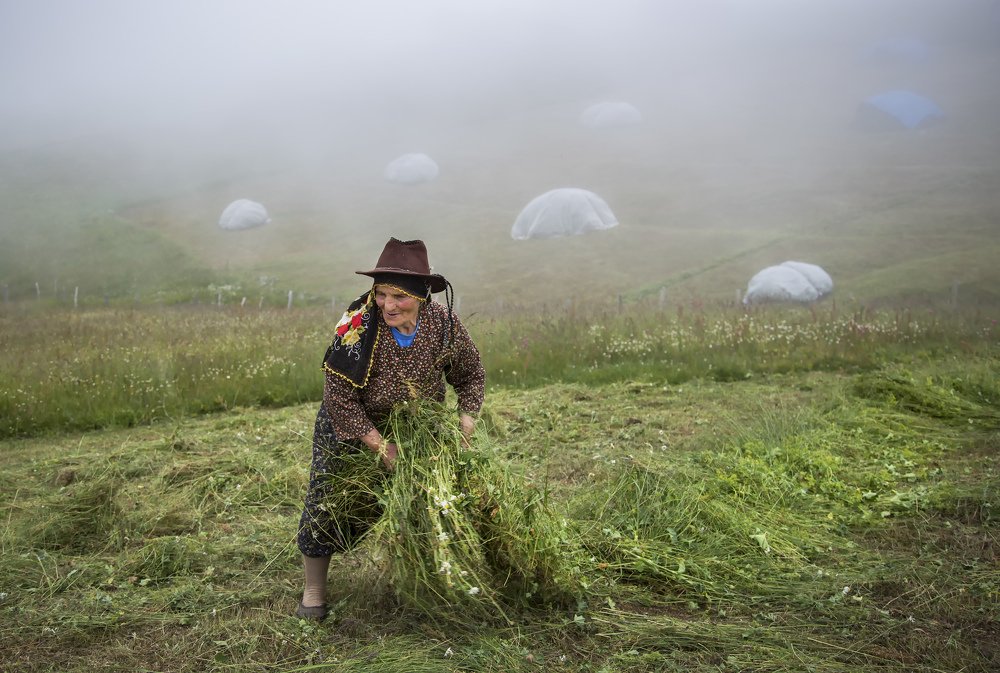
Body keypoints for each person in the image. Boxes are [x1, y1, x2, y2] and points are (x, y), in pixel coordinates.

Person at [295, 237, 486, 620]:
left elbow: (470, 376)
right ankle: (314, 589)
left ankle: (422, 581)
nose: (387, 305)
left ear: (421, 296)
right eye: (381, 294)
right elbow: (339, 397)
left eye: (398, 297)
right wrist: (381, 447)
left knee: (425, 500)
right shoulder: (357, 325)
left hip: (415, 429)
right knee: (329, 500)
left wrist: (465, 425)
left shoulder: (444, 326)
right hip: (349, 426)